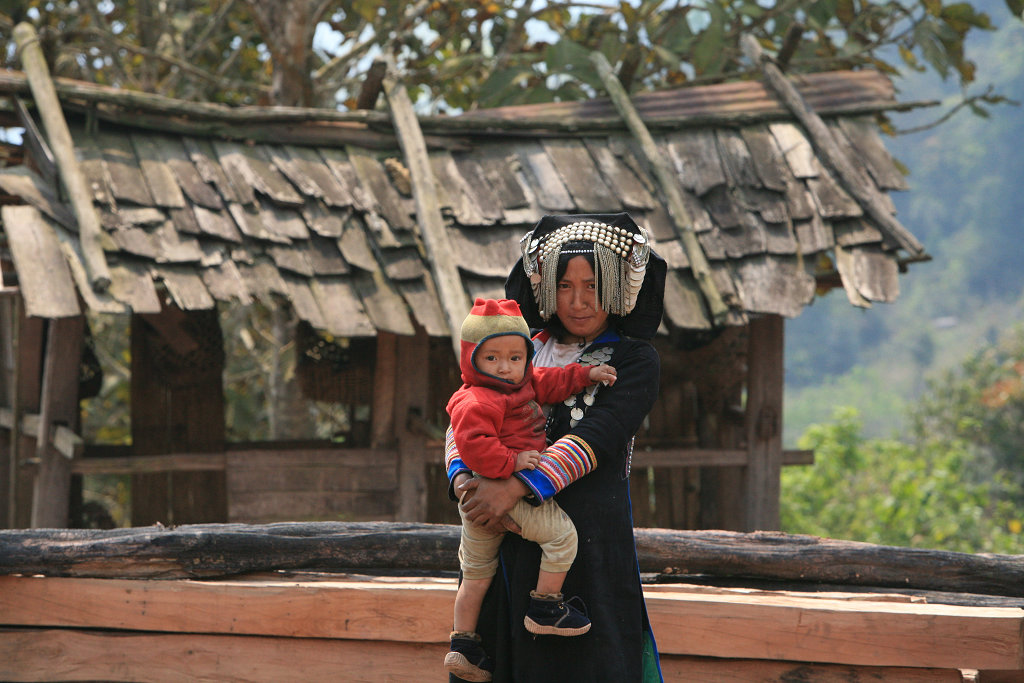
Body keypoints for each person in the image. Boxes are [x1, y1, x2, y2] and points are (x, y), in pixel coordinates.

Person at [445, 213, 667, 682]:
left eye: (592, 285)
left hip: (586, 545)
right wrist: (466, 480)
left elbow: (597, 435)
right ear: (545, 288)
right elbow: (465, 414)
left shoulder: (634, 360)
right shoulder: (515, 347)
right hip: (497, 531)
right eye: (565, 286)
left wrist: (515, 487)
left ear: (616, 288)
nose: (579, 301)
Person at [444, 297, 619, 681]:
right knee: (560, 537)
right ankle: (545, 606)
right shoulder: (475, 399)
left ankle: (464, 644)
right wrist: (510, 470)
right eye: (491, 359)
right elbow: (471, 443)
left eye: (514, 358)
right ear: (471, 359)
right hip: (499, 492)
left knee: (475, 573)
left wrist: (585, 375)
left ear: (526, 358)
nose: (504, 367)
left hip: (478, 498)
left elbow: (550, 382)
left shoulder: (521, 383)